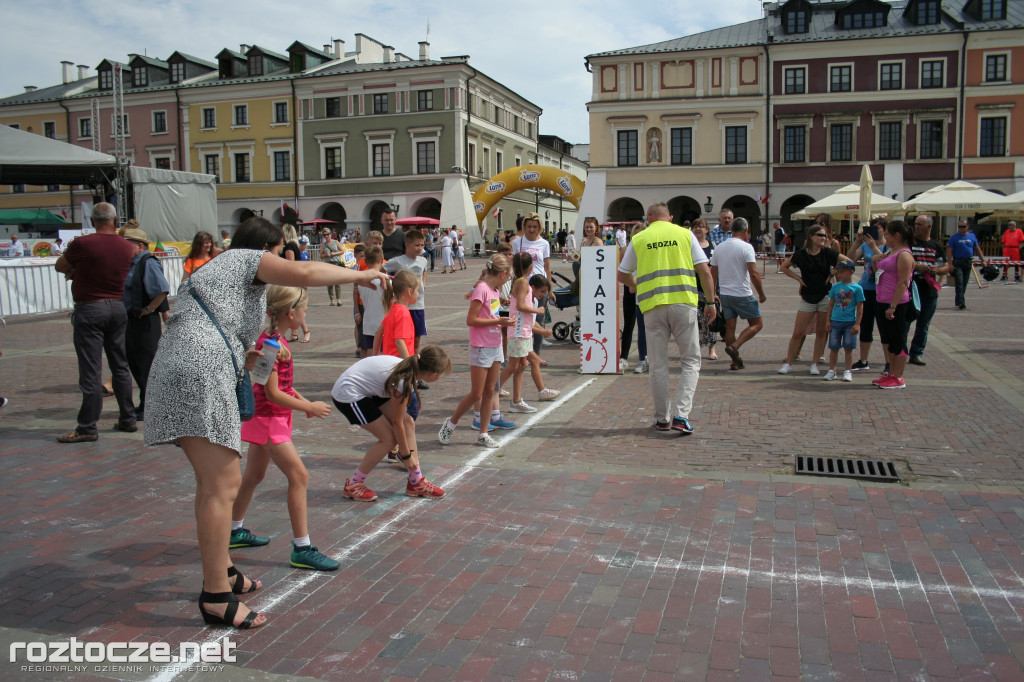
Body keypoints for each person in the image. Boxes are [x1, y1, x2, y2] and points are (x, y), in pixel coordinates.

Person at [143, 216, 388, 630]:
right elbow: (306, 272)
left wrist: (248, 359)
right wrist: (362, 274)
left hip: (184, 366)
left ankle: (223, 571)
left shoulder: (218, 271)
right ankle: (216, 596)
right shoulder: (244, 259)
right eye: (277, 253)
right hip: (200, 369)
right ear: (265, 247)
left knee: (214, 483)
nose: (280, 261)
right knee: (222, 486)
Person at [229, 285, 339, 571]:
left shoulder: (273, 339)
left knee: (254, 475)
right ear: (291, 313)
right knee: (299, 476)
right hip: (268, 419)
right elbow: (272, 393)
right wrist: (308, 407)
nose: (305, 315)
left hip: (271, 417)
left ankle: (232, 530)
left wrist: (302, 402)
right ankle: (302, 548)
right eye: (304, 310)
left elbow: (281, 387)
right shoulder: (271, 345)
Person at [617, 203, 716, 434]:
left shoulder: (640, 238)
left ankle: (662, 419)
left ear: (649, 217)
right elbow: (705, 270)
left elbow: (622, 273)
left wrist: (635, 286)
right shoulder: (685, 234)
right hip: (683, 303)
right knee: (690, 360)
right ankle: (681, 416)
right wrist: (710, 302)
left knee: (658, 364)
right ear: (670, 217)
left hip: (652, 305)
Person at [53, 203, 136, 442]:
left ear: (92, 220)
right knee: (120, 365)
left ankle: (88, 426)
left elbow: (60, 266)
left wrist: (76, 271)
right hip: (117, 306)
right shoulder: (126, 246)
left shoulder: (83, 243)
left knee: (91, 369)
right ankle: (127, 418)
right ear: (114, 220)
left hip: (90, 307)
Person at [332, 347, 452, 502]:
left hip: (370, 388)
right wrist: (406, 455)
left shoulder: (410, 370)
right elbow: (396, 423)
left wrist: (407, 453)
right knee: (388, 439)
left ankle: (416, 481)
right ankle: (353, 485)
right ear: (432, 374)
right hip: (348, 393)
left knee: (408, 421)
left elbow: (402, 420)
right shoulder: (403, 380)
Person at [438, 255, 515, 448]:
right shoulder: (481, 289)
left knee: (491, 390)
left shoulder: (494, 290)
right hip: (481, 346)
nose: (508, 280)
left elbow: (491, 313)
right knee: (476, 393)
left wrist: (501, 313)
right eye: (508, 276)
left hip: (495, 344)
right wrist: (498, 321)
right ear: (503, 273)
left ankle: (483, 433)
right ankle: (451, 422)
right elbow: (471, 320)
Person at [778, 224, 844, 375]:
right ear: (811, 237)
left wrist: (835, 271)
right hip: (808, 296)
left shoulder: (828, 253)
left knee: (821, 332)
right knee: (798, 332)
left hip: (825, 295)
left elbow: (848, 262)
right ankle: (788, 362)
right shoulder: (801, 254)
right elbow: (784, 267)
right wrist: (798, 279)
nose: (823, 238)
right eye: (820, 235)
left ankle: (814, 363)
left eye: (825, 236)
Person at [121, 227, 169, 422]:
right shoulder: (132, 263)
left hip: (144, 322)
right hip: (132, 320)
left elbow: (162, 290)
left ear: (139, 246)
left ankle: (151, 405)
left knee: (146, 364)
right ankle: (146, 403)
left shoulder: (147, 262)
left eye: (127, 245)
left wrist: (148, 309)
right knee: (136, 363)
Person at [499, 254, 557, 413]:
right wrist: (537, 310)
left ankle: (516, 401)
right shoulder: (523, 283)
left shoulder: (519, 282)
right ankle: (492, 389)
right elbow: (521, 307)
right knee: (513, 366)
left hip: (522, 331)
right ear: (530, 267)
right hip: (519, 331)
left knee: (521, 365)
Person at [709, 217, 766, 371]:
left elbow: (712, 272)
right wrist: (761, 293)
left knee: (730, 328)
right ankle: (735, 346)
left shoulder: (720, 247)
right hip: (742, 293)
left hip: (726, 294)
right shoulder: (746, 247)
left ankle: (734, 361)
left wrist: (713, 292)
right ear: (745, 230)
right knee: (757, 324)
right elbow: (754, 273)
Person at [864, 220, 916, 389]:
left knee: (898, 340)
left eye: (887, 234)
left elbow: (902, 282)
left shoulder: (904, 255)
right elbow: (881, 268)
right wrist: (874, 258)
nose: (884, 236)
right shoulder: (892, 251)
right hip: (881, 300)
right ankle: (892, 373)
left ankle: (899, 377)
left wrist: (893, 306)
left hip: (897, 303)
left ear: (897, 235)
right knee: (888, 339)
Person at [907, 215, 949, 366]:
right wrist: (917, 266)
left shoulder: (935, 246)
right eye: (916, 224)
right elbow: (902, 259)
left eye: (920, 224)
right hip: (911, 288)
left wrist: (938, 270)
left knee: (923, 324)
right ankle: (900, 351)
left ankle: (916, 353)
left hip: (929, 290)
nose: (916, 227)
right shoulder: (909, 243)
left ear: (929, 227)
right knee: (906, 321)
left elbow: (946, 266)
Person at [846, 218, 887, 372]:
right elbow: (849, 260)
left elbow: (887, 262)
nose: (874, 231)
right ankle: (863, 360)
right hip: (866, 288)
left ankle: (888, 363)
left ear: (885, 230)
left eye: (878, 228)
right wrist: (857, 242)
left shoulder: (889, 246)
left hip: (882, 290)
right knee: (865, 325)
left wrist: (874, 247)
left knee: (884, 327)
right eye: (872, 228)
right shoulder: (865, 245)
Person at [383, 230, 430, 363]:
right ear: (407, 245)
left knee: (416, 341)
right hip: (404, 306)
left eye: (422, 245)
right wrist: (391, 283)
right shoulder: (399, 261)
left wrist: (423, 283)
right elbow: (382, 269)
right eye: (417, 245)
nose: (420, 248)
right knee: (402, 338)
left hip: (418, 305)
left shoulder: (423, 260)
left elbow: (424, 272)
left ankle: (415, 369)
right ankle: (403, 364)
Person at [513, 213, 552, 358]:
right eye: (529, 226)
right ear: (524, 227)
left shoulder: (544, 243)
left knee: (538, 320)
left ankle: (537, 355)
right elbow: (514, 265)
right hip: (523, 284)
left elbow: (547, 266)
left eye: (534, 227)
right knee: (524, 319)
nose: (531, 229)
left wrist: (550, 287)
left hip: (540, 285)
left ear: (539, 228)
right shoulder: (518, 242)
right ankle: (524, 355)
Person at [823, 259, 864, 382]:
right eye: (838, 272)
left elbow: (860, 306)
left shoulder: (857, 288)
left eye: (842, 272)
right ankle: (832, 370)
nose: (839, 275)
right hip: (835, 321)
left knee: (849, 347)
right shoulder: (836, 287)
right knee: (833, 347)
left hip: (850, 321)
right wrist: (828, 320)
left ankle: (847, 370)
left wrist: (858, 323)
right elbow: (830, 304)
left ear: (851, 272)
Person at [620, 223, 649, 373]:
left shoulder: (647, 247)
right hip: (630, 290)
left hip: (643, 289)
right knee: (629, 325)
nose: (637, 236)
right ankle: (624, 357)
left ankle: (644, 358)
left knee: (645, 327)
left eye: (641, 233)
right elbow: (621, 270)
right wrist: (630, 283)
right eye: (635, 233)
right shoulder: (626, 249)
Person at [690, 218, 719, 361]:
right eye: (695, 226)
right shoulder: (688, 246)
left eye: (701, 226)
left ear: (707, 230)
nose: (698, 229)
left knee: (710, 319)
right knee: (694, 320)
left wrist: (715, 292)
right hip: (692, 287)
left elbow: (716, 269)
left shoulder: (713, 246)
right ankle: (695, 349)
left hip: (708, 287)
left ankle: (711, 348)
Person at [375, 270, 418, 359]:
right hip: (398, 364)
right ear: (409, 291)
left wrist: (375, 356)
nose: (418, 294)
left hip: (389, 362)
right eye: (417, 290)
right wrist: (408, 365)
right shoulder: (403, 313)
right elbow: (399, 341)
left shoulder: (393, 309)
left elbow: (378, 333)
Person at [946, 220, 986, 310]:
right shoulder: (954, 237)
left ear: (967, 226)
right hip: (957, 262)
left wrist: (982, 260)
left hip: (968, 262)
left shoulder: (972, 236)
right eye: (959, 227)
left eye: (963, 227)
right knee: (959, 281)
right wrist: (949, 263)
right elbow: (949, 251)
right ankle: (961, 302)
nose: (961, 229)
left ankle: (959, 299)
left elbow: (977, 248)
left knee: (964, 282)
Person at [280, 224, 310, 343]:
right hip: (295, 281)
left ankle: (305, 332)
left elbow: (290, 264)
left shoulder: (289, 246)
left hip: (291, 281)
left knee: (295, 308)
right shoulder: (294, 245)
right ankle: (295, 333)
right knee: (295, 308)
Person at [357, 247, 386, 358]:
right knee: (382, 352)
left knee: (370, 349)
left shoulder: (361, 283)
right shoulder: (386, 280)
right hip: (382, 322)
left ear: (366, 261)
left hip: (368, 320)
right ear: (382, 259)